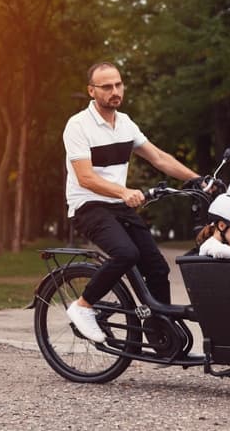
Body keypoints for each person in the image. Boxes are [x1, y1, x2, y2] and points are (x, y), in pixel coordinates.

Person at [63, 61, 203, 343]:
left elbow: (159, 158)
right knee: (126, 254)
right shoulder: (78, 125)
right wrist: (123, 192)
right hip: (89, 206)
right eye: (106, 87)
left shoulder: (125, 124)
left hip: (119, 206)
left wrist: (198, 180)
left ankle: (160, 334)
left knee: (157, 268)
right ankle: (83, 306)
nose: (115, 91)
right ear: (91, 91)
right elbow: (86, 177)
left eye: (118, 84)